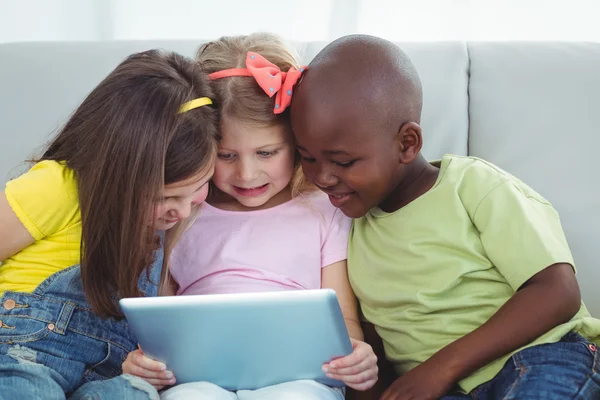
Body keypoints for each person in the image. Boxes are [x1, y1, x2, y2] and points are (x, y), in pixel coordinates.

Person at [289, 34, 600, 399]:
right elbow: (376, 347)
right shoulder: (348, 228)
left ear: (407, 144)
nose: (323, 177)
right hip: (445, 390)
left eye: (343, 162)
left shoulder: (473, 186)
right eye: (307, 157)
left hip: (541, 355)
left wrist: (440, 368)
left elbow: (557, 293)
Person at [123, 33, 378, 400]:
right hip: (198, 379)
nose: (246, 175)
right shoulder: (181, 212)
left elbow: (344, 319)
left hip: (302, 378)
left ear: (298, 142)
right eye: (226, 156)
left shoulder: (322, 208)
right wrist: (143, 362)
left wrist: (356, 354)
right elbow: (158, 324)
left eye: (266, 152)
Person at [0, 49, 220, 399]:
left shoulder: (159, 234)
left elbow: (157, 332)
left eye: (197, 189)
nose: (180, 211)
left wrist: (146, 361)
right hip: (25, 356)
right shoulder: (58, 186)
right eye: (164, 198)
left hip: (106, 374)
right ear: (117, 172)